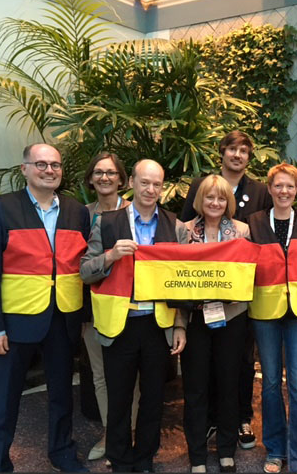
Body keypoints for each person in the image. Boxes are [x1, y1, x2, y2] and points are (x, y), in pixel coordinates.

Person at [0, 143, 90, 472]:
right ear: (24, 169)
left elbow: (77, 266)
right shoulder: (0, 209)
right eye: (41, 164)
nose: (49, 170)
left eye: (55, 165)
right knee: (5, 398)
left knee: (61, 394)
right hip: (15, 321)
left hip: (63, 317)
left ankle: (62, 451)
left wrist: (80, 317)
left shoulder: (76, 211)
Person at [80, 159, 188, 472]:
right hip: (120, 324)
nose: (150, 189)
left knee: (154, 398)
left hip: (158, 325)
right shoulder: (107, 222)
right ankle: (120, 459)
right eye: (144, 182)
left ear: (162, 188)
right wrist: (111, 255)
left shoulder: (174, 225)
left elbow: (181, 283)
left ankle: (144, 459)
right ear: (132, 184)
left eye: (157, 184)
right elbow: (85, 272)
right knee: (119, 398)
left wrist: (180, 325)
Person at [181, 131, 271, 449]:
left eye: (244, 150)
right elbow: (182, 242)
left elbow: (264, 239)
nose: (237, 155)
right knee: (203, 366)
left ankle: (239, 418)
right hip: (199, 302)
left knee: (241, 363)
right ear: (221, 153)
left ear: (249, 156)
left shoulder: (260, 191)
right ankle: (208, 422)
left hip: (237, 301)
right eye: (231, 149)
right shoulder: (200, 186)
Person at [247, 163, 297, 473]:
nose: (284, 191)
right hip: (265, 312)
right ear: (270, 188)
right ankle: (275, 450)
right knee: (271, 383)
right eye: (278, 186)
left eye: (289, 186)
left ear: (296, 189)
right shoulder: (254, 223)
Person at [181, 174, 253, 473]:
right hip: (196, 319)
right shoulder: (183, 231)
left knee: (228, 384)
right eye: (210, 197)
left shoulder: (241, 231)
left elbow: (249, 276)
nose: (215, 202)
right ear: (200, 200)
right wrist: (178, 325)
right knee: (195, 388)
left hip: (232, 318)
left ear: (229, 202)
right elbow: (174, 282)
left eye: (221, 198)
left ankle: (226, 449)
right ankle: (197, 454)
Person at [80, 152, 140, 462]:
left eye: (111, 172)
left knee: (133, 376)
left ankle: (127, 433)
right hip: (93, 306)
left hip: (132, 308)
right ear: (90, 179)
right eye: (99, 173)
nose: (105, 177)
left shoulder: (137, 212)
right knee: (101, 374)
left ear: (122, 179)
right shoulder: (80, 214)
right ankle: (110, 433)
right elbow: (80, 264)